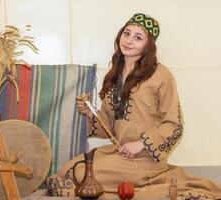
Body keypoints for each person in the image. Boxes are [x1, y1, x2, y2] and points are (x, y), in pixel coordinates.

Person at [47, 13, 221, 199]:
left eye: (138, 37)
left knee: (80, 175)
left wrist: (140, 144)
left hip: (145, 158)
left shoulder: (162, 76)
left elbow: (174, 126)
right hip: (119, 152)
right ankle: (139, 188)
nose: (129, 41)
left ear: (148, 45)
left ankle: (155, 186)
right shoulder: (114, 75)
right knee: (68, 170)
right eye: (126, 33)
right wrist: (90, 113)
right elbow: (110, 126)